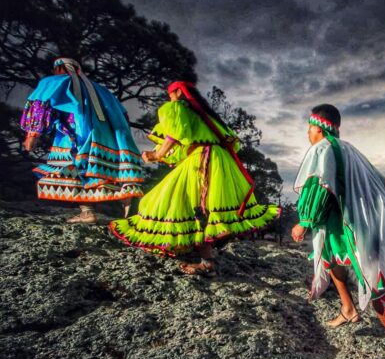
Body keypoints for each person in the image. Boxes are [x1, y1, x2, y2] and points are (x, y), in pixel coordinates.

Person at [292, 104, 385, 359]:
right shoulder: (350, 150)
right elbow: (382, 181)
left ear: (319, 127)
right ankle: (348, 309)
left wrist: (305, 221)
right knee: (329, 259)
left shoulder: (323, 149)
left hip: (355, 226)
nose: (307, 133)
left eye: (309, 127)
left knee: (375, 287)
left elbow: (318, 186)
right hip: (348, 222)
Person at [110, 81, 280, 274]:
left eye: (170, 93)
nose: (169, 97)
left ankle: (207, 260)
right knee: (207, 208)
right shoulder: (208, 117)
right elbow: (234, 144)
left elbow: (174, 134)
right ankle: (208, 247)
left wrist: (157, 154)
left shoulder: (177, 107)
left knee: (179, 204)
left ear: (177, 92)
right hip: (222, 162)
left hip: (203, 160)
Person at [20, 57, 144, 222]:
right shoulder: (102, 90)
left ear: (59, 69)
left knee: (73, 170)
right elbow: (123, 115)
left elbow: (41, 104)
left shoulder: (56, 81)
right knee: (97, 171)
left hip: (76, 136)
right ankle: (126, 195)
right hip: (106, 139)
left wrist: (32, 134)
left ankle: (87, 211)